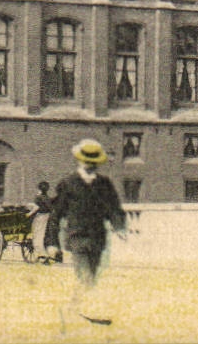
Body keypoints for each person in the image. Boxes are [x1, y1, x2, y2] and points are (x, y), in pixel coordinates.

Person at [51, 138, 129, 327]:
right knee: (84, 273)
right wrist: (51, 242)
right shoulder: (68, 183)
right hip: (77, 236)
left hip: (97, 237)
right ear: (79, 160)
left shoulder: (104, 184)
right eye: (87, 161)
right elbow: (56, 213)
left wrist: (119, 226)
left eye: (94, 163)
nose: (90, 166)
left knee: (91, 275)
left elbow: (114, 208)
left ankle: (75, 307)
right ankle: (91, 309)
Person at [31, 180, 63, 264]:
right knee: (52, 238)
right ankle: (57, 255)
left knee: (38, 236)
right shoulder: (48, 198)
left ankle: (43, 256)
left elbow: (36, 208)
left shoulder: (38, 197)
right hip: (52, 218)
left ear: (39, 189)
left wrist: (29, 214)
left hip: (42, 218)